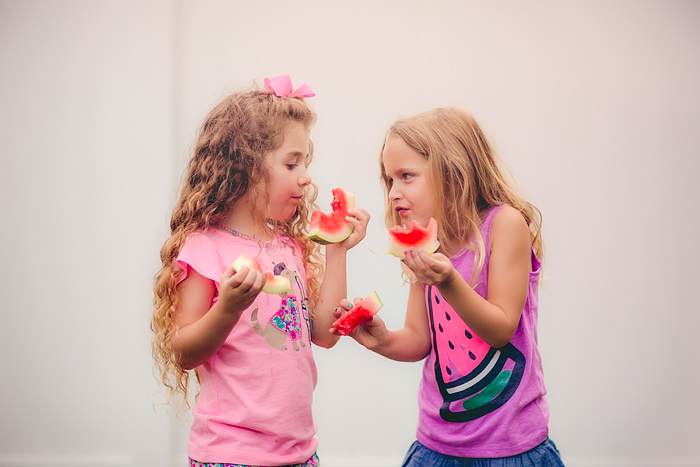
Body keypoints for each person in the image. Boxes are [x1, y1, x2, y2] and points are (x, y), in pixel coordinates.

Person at [152, 75, 369, 467]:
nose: (306, 176)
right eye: (292, 162)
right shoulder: (205, 248)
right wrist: (228, 308)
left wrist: (337, 250)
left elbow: (324, 333)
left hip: (300, 453)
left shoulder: (288, 245)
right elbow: (183, 351)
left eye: (306, 162)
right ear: (245, 166)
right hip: (231, 455)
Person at [333, 107, 565, 466]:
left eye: (406, 176)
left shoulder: (505, 225)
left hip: (510, 448)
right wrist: (382, 339)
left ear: (452, 172)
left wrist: (447, 281)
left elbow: (501, 328)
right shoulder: (424, 242)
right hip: (435, 446)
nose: (393, 192)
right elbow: (419, 340)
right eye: (389, 179)